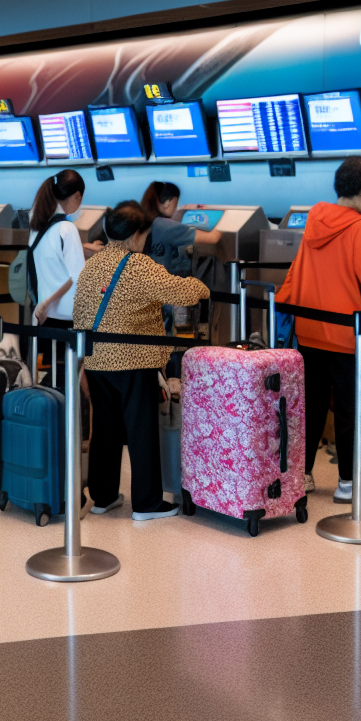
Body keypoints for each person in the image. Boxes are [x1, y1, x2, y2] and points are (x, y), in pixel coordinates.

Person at [75, 201, 210, 520]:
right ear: (136, 235)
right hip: (132, 360)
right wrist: (200, 286)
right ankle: (147, 504)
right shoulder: (138, 264)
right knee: (141, 430)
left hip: (96, 358)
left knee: (105, 429)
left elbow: (80, 310)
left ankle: (103, 496)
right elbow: (181, 292)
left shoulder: (93, 263)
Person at [280, 156, 361, 504]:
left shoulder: (315, 219)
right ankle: (349, 483)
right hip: (347, 335)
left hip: (311, 330)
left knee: (311, 406)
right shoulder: (359, 227)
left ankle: (302, 476)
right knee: (349, 409)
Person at [28, 170, 98, 381]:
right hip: (68, 319)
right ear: (77, 195)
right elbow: (78, 278)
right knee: (69, 380)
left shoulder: (38, 225)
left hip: (46, 317)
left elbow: (52, 260)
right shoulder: (67, 228)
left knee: (55, 377)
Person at [140, 181, 221, 276]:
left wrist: (185, 211)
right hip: (165, 284)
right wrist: (226, 216)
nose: (176, 208)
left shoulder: (145, 220)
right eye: (176, 202)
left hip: (149, 281)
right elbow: (213, 238)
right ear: (168, 202)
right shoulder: (166, 226)